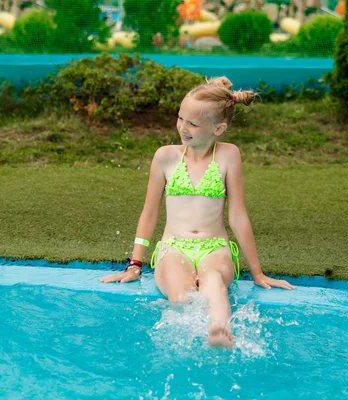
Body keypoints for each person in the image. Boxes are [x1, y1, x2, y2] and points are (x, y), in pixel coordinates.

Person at [100, 77, 295, 348]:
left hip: (215, 248)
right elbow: (149, 212)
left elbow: (237, 215)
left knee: (213, 283)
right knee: (181, 296)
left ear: (219, 129)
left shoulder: (229, 156)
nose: (182, 127)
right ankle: (190, 340)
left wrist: (258, 273)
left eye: (192, 123)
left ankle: (219, 332)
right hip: (173, 248)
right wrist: (135, 264)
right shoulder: (165, 156)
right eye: (180, 118)